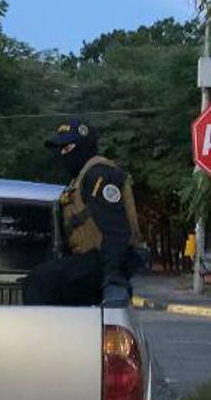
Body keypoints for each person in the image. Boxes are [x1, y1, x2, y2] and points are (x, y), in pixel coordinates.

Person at [23, 118, 141, 307]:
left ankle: (42, 336)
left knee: (40, 281)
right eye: (60, 150)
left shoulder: (99, 175)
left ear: (84, 146)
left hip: (104, 259)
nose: (62, 154)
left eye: (67, 148)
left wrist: (114, 277)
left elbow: (115, 230)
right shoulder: (79, 180)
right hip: (89, 260)